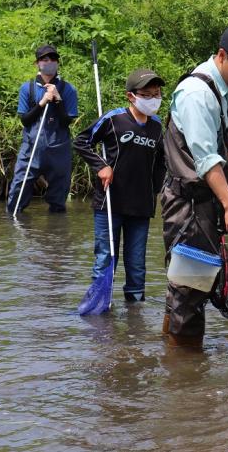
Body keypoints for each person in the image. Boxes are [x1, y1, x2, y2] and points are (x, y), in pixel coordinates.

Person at [161, 24, 228, 348]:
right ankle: (188, 381)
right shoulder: (198, 94)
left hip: (200, 205)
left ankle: (173, 359)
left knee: (184, 285)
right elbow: (205, 159)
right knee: (191, 291)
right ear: (222, 56)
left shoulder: (216, 88)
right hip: (189, 207)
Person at [73, 68, 166, 303]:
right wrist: (101, 166)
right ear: (131, 96)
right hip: (110, 203)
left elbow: (161, 162)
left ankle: (135, 315)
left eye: (156, 93)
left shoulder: (157, 127)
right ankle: (99, 306)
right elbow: (81, 141)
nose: (153, 99)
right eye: (147, 94)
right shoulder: (113, 119)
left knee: (137, 264)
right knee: (106, 258)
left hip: (141, 206)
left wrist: (156, 189)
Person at [7, 44, 78, 213]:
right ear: (37, 63)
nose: (50, 62)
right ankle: (17, 229)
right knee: (18, 192)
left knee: (58, 200)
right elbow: (25, 120)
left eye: (53, 59)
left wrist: (58, 100)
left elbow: (66, 121)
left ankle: (55, 236)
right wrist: (43, 102)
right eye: (45, 59)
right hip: (31, 148)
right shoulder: (28, 88)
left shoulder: (68, 89)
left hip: (58, 149)